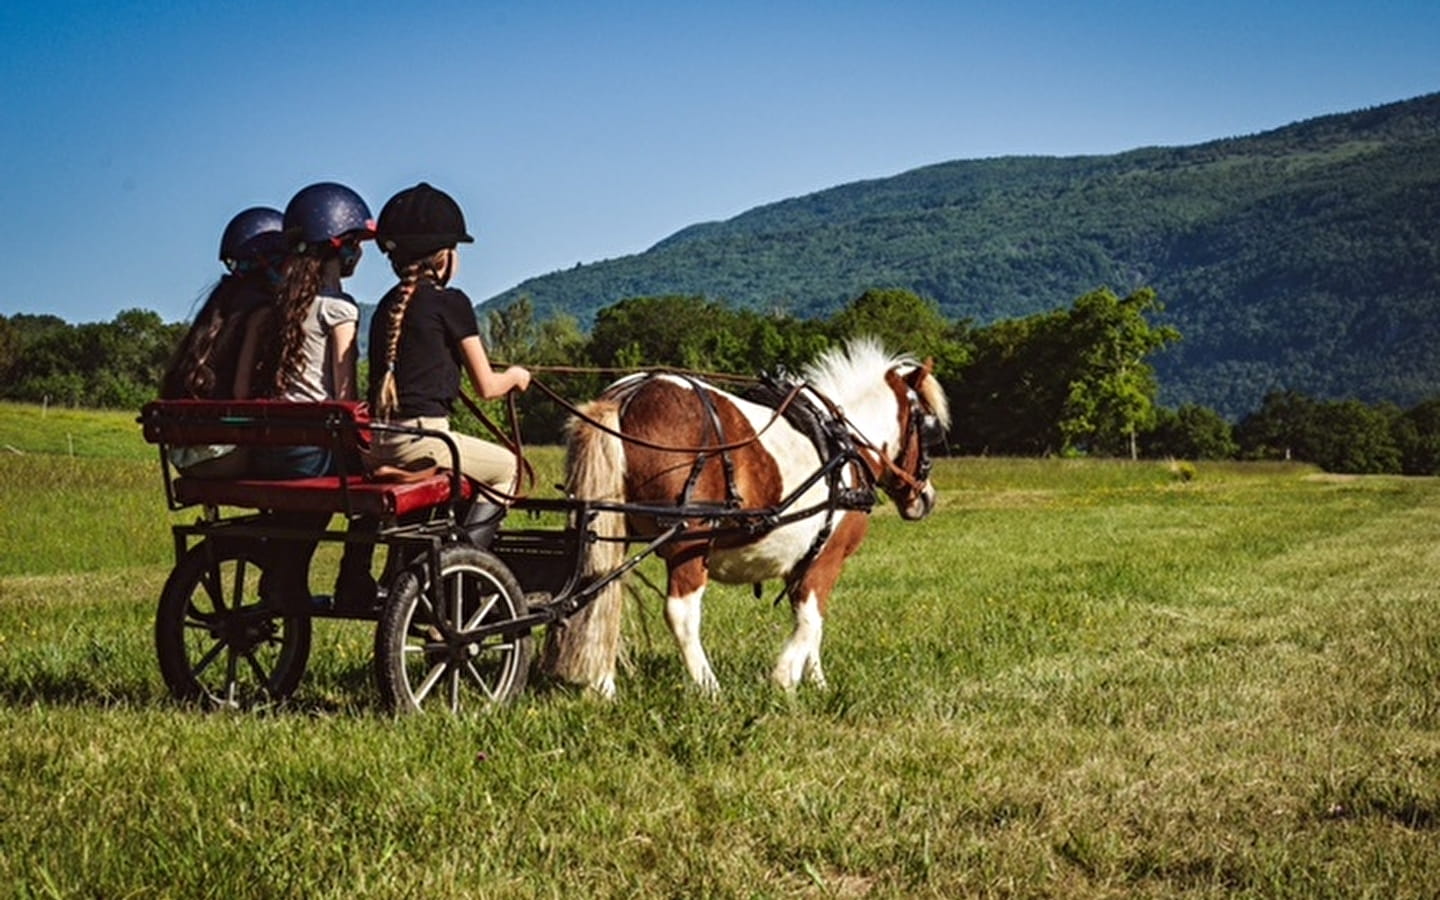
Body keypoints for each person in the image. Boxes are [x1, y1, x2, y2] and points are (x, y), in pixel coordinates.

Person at [233, 181, 378, 610]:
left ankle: (284, 577)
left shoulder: (271, 309)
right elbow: (346, 398)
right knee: (377, 478)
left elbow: (243, 391)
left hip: (268, 451)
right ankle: (355, 576)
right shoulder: (340, 310)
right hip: (312, 453)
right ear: (342, 248)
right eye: (356, 244)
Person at [365, 182, 531, 546]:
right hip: (426, 439)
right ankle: (469, 554)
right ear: (443, 256)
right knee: (508, 469)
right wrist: (517, 376)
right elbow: (487, 387)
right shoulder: (451, 303)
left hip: (378, 443)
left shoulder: (384, 310)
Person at [159, 205, 287, 478]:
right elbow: (242, 394)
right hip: (226, 458)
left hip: (185, 460)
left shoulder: (217, 309)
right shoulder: (261, 313)